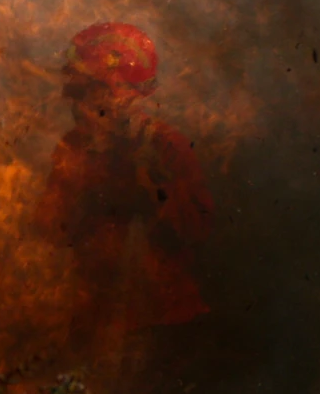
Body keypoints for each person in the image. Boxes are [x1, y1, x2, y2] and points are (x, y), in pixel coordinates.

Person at [34, 22, 214, 362]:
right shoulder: (74, 148)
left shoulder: (166, 146)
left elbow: (198, 228)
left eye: (84, 91)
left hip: (161, 327)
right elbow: (49, 229)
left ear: (118, 93)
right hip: (96, 325)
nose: (71, 100)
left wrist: (149, 174)